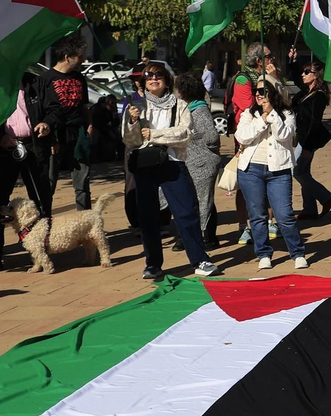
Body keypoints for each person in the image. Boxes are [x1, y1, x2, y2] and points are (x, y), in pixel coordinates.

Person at [121, 63, 220, 280]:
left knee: (186, 212)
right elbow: (130, 140)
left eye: (158, 75)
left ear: (166, 79)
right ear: (143, 81)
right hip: (145, 164)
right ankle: (153, 264)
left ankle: (199, 259)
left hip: (173, 162)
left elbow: (184, 133)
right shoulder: (136, 105)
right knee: (148, 216)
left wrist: (155, 135)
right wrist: (132, 122)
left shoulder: (180, 104)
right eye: (148, 77)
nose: (153, 79)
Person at [234, 79, 309, 269]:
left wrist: (272, 115)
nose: (258, 94)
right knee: (257, 215)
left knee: (284, 215)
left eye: (263, 90)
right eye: (255, 90)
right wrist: (262, 120)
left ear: (274, 93)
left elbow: (284, 136)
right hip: (251, 170)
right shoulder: (248, 114)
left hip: (279, 170)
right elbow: (242, 136)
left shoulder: (287, 114)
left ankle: (297, 252)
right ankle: (264, 253)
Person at [228, 43, 282, 245]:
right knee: (245, 185)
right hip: (249, 139)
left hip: (271, 137)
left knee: (271, 177)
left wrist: (274, 80)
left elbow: (282, 101)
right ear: (259, 60)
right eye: (270, 55)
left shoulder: (272, 75)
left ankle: (270, 221)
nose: (273, 59)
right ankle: (245, 226)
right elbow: (248, 108)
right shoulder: (244, 79)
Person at [35, 36, 93, 213]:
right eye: (80, 56)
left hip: (79, 134)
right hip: (55, 136)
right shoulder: (46, 79)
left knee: (82, 182)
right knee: (48, 183)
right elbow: (43, 113)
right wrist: (51, 140)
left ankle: (85, 223)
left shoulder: (79, 78)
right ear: (68, 57)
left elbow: (84, 106)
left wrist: (90, 125)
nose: (83, 60)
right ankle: (46, 224)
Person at [176, 73, 224, 249]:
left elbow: (211, 137)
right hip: (195, 161)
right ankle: (199, 236)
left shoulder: (199, 110)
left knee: (203, 200)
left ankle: (207, 237)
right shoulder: (192, 108)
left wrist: (194, 139)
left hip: (202, 161)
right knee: (198, 200)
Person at [291, 57, 331, 220]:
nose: (303, 75)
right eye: (303, 71)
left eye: (307, 72)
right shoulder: (307, 91)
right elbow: (296, 78)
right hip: (303, 138)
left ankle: (326, 197)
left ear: (316, 75)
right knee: (305, 172)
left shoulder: (318, 96)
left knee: (296, 171)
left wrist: (307, 147)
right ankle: (309, 209)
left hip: (308, 140)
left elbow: (314, 122)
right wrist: (293, 60)